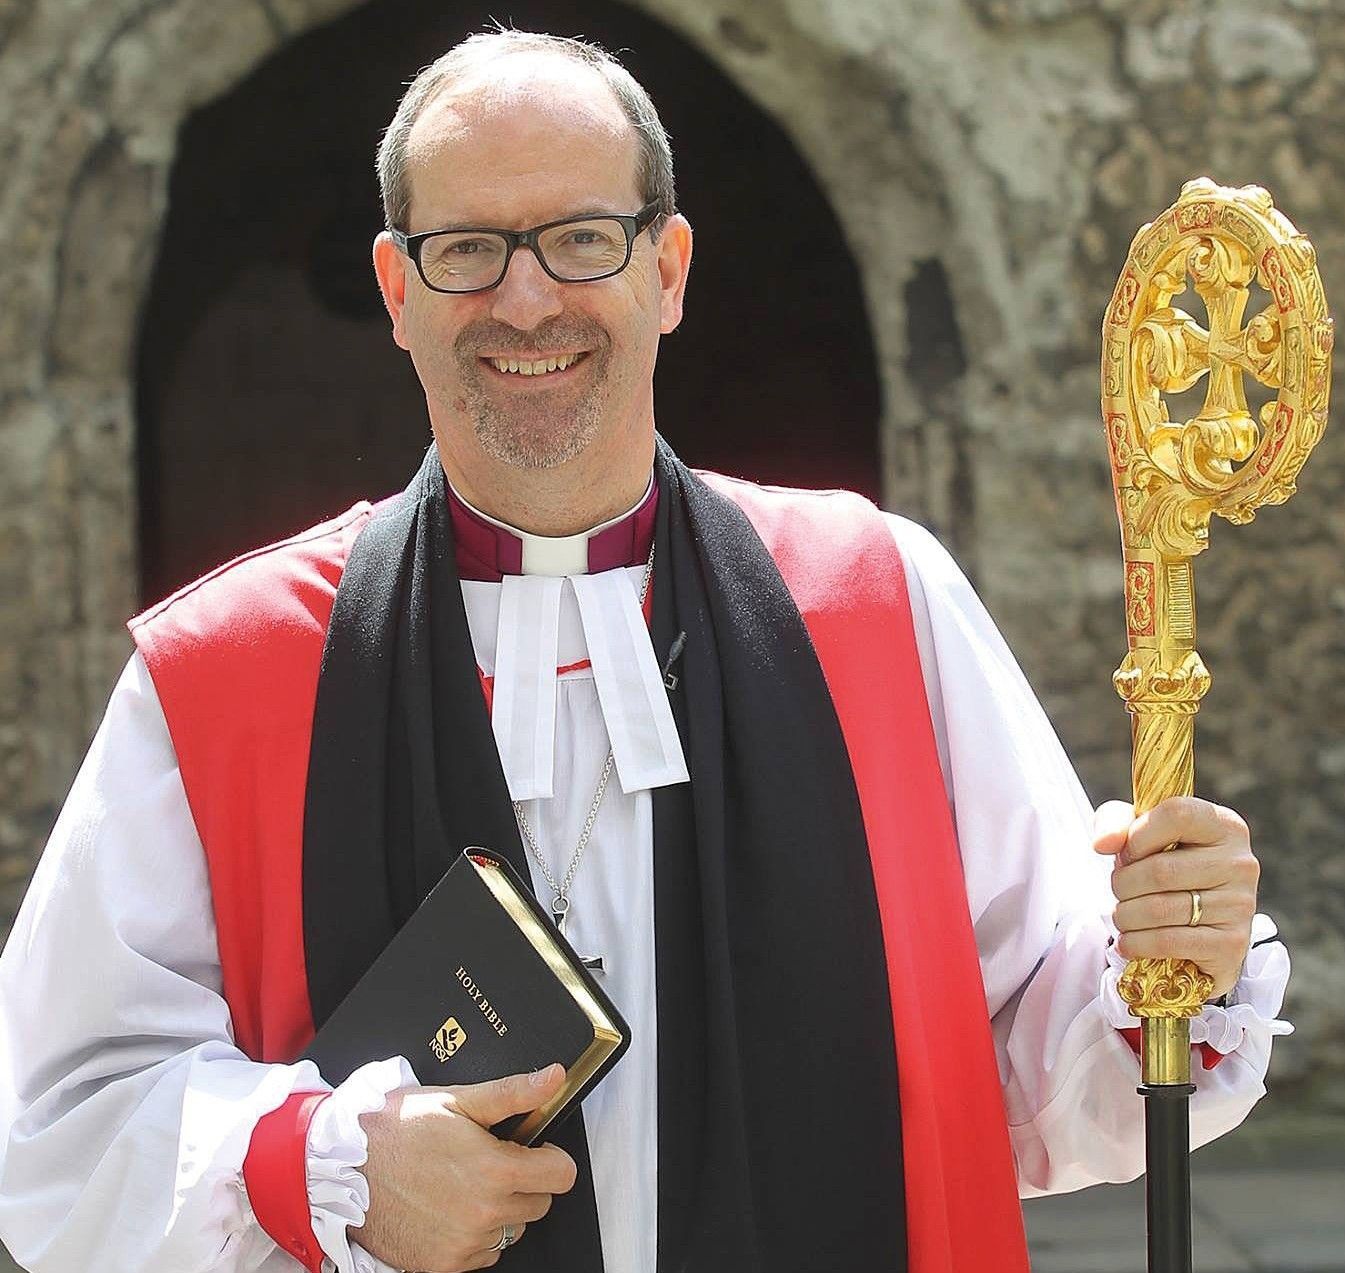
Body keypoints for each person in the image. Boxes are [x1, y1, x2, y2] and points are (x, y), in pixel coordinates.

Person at [0, 29, 1289, 1273]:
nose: (525, 297)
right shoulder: (222, 675)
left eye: (581, 239)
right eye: (466, 250)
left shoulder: (877, 601)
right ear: (397, 292)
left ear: (667, 270)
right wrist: (320, 1161)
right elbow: (55, 1122)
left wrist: (1166, 959)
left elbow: (1029, 1052)